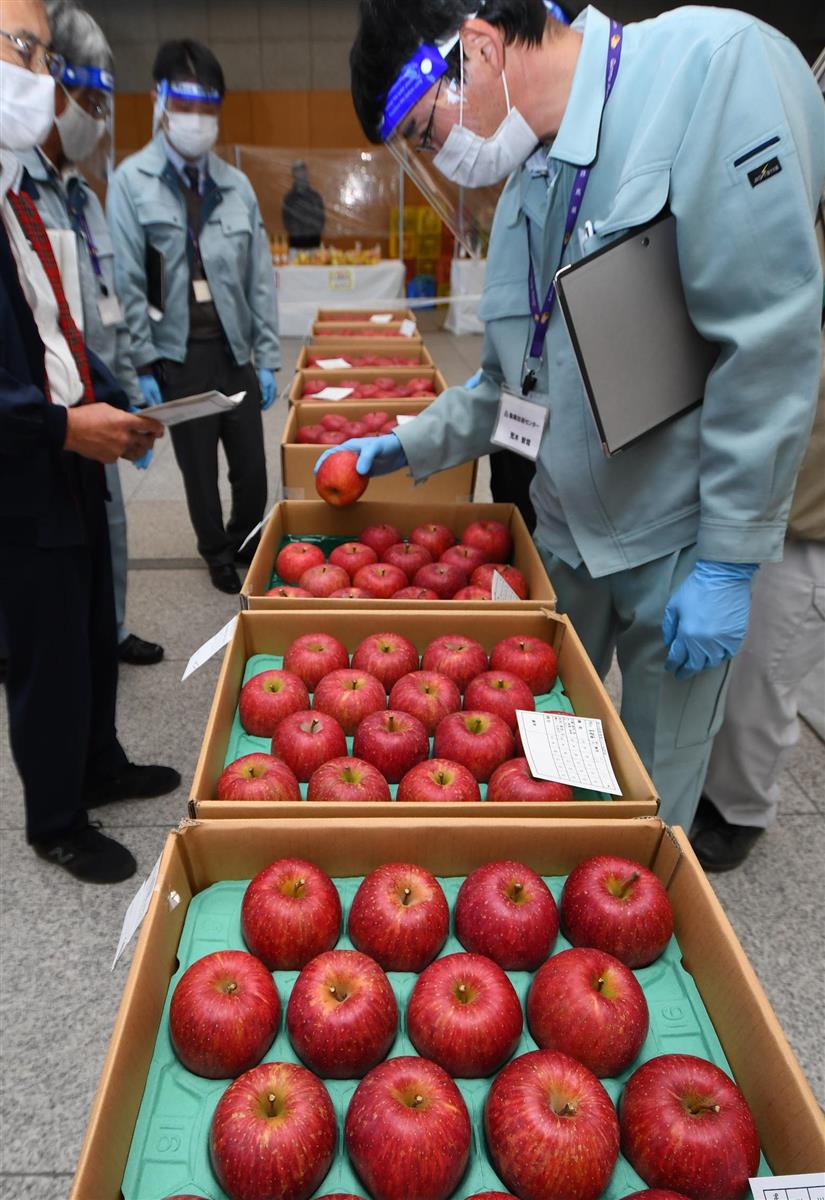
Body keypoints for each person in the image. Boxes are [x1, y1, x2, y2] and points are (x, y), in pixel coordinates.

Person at [319, 0, 825, 830]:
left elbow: (765, 343)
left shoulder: (707, 75)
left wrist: (729, 559)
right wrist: (403, 445)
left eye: (423, 131)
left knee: (647, 807)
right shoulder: (530, 185)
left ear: (477, 48)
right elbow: (508, 390)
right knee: (553, 765)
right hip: (565, 543)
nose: (439, 157)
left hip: (676, 547)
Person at [0, 0, 180, 884]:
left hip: (68, 453)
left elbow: (61, 335)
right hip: (23, 465)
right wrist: (63, 425)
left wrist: (112, 400)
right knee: (45, 645)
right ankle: (54, 816)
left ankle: (99, 761)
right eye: (24, 50)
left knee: (88, 625)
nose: (39, 74)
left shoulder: (21, 202)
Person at [18, 0, 164, 667]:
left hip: (96, 390)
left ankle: (108, 629)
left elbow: (105, 302)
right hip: (45, 412)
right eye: (85, 99)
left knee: (108, 526)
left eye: (102, 105)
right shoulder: (17, 192)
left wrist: (132, 390)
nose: (94, 118)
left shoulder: (81, 193)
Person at [108, 39, 280, 595]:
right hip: (179, 357)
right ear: (160, 104)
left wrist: (269, 356)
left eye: (209, 109)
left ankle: (246, 536)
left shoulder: (236, 186)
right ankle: (216, 552)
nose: (198, 121)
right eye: (187, 107)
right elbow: (130, 282)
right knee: (198, 472)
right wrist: (141, 367)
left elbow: (259, 277)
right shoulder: (131, 183)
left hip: (233, 351)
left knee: (252, 471)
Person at [692, 343, 825, 871]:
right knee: (724, 672)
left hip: (805, 527)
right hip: (747, 507)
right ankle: (710, 780)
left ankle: (742, 809)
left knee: (762, 684)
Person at [282, 159, 326, 251]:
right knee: (294, 265)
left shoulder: (315, 197)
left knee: (315, 264)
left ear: (306, 172)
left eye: (302, 170)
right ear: (293, 174)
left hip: (313, 242)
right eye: (297, 171)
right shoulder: (289, 198)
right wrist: (296, 232)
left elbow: (321, 219)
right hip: (296, 242)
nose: (300, 174)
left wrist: (313, 232)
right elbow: (286, 220)